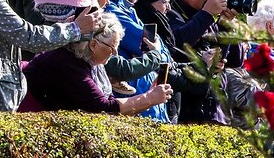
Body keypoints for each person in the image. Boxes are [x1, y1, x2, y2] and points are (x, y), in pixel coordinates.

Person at [17, 14, 171, 114]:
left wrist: (149, 99)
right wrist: (150, 98)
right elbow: (103, 109)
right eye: (112, 48)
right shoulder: (68, 64)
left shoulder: (90, 64)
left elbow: (110, 103)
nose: (116, 54)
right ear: (93, 45)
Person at [165, 0, 234, 124]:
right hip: (184, 107)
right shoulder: (170, 12)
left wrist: (226, 24)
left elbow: (234, 59)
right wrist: (207, 14)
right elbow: (178, 43)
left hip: (210, 107)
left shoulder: (206, 16)